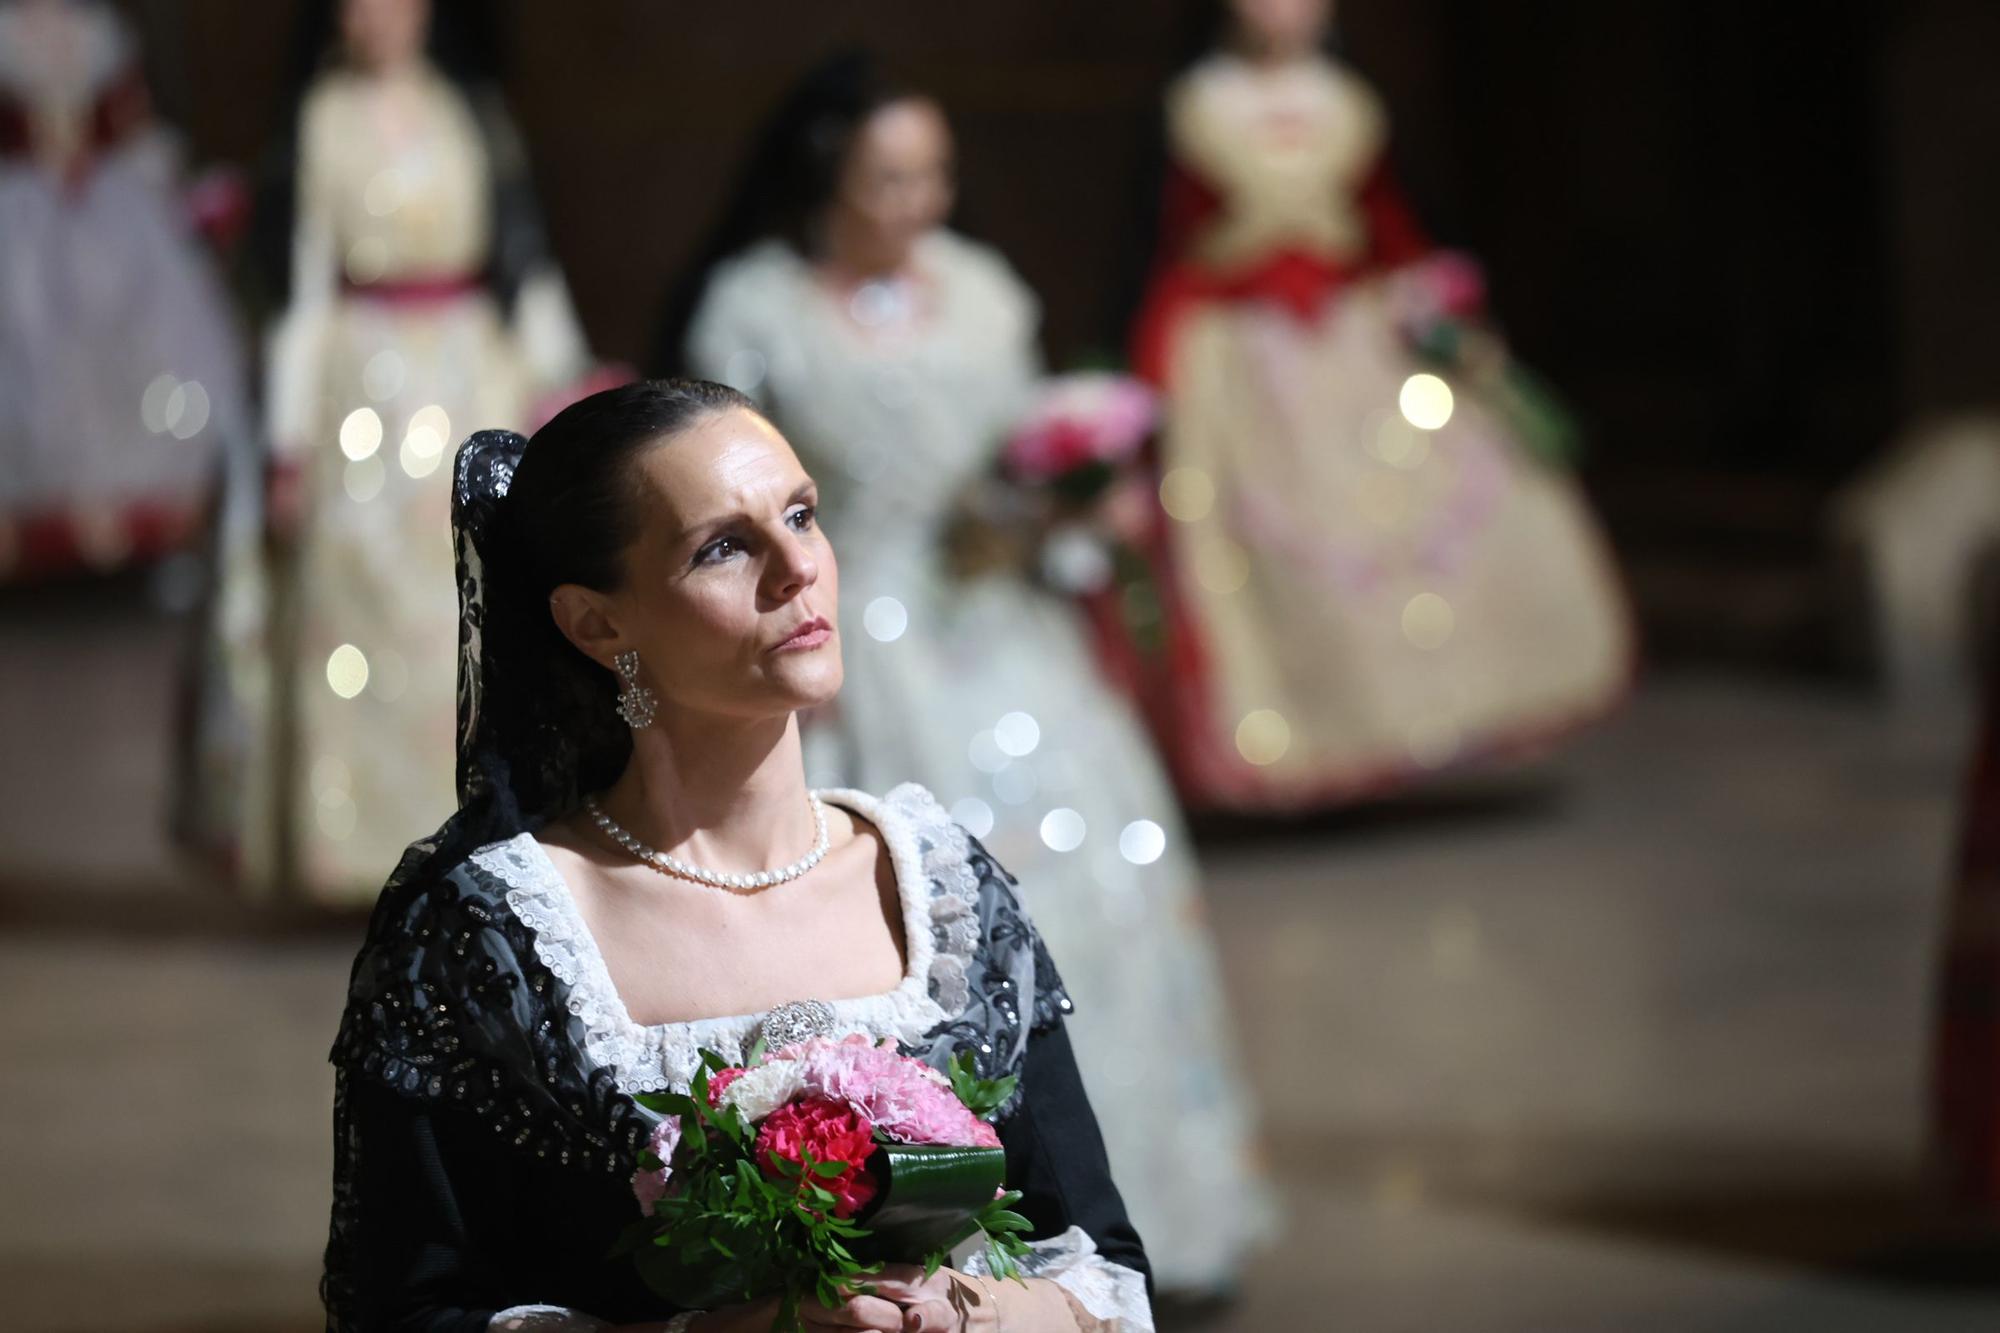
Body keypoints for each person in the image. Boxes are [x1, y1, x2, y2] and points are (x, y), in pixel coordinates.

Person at [323, 379, 1153, 1332]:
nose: (798, 565)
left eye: (802, 514)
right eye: (723, 546)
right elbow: (400, 1313)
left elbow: (1104, 1268)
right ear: (597, 623)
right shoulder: (491, 936)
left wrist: (962, 1310)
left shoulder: (937, 885)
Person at [668, 55, 1265, 1294]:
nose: (916, 203)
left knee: (1085, 892)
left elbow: (1012, 453)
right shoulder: (760, 308)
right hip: (846, 634)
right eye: (887, 178)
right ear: (825, 182)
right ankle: (873, 1226)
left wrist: (1064, 500)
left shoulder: (984, 294)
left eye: (932, 175)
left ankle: (1118, 1212)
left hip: (999, 630)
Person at [1124, 0, 1634, 808]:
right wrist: (1155, 365)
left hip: (1352, 333)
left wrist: (1434, 304)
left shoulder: (1347, 101)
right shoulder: (1197, 105)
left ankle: (1434, 720)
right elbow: (1165, 240)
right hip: (1242, 350)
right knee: (1248, 535)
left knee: (1429, 498)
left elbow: (1385, 219)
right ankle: (1304, 736)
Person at [196, 0, 592, 901]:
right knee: (359, 616)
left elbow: (522, 259)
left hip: (466, 373)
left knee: (466, 605)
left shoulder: (470, 111)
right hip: (359, 395)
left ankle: (480, 820)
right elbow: (298, 287)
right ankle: (354, 842)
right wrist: (288, 440)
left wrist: (561, 385)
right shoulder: (319, 120)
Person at [0, 0, 250, 579]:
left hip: (103, 206)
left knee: (142, 335)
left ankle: (136, 520)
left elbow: (131, 121)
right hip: (19, 213)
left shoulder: (99, 32)